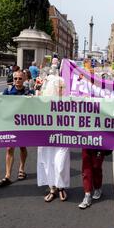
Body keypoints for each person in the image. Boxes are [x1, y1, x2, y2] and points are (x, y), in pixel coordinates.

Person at [37, 69, 71, 202]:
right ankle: (52, 188)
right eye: (59, 87)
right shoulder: (43, 102)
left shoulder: (69, 102)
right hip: (46, 137)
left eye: (63, 87)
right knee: (47, 163)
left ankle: (61, 187)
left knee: (60, 164)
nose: (61, 90)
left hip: (63, 138)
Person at [0, 70, 31, 187]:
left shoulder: (28, 91)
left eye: (20, 78)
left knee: (22, 147)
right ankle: (7, 175)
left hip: (23, 124)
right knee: (9, 148)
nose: (17, 81)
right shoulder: (8, 91)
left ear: (24, 79)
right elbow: (1, 105)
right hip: (11, 123)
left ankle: (21, 169)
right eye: (15, 78)